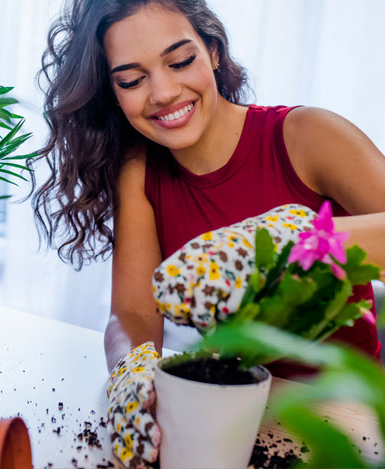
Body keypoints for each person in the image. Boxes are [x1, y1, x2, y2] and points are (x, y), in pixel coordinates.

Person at [32, 0, 385, 375]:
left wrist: (291, 241)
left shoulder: (308, 135)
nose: (164, 93)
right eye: (132, 81)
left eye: (181, 61)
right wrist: (131, 370)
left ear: (212, 52)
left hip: (342, 412)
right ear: (113, 93)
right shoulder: (140, 172)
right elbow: (133, 313)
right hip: (231, 406)